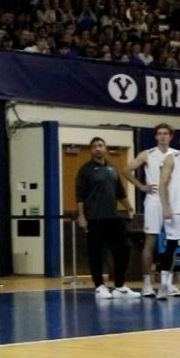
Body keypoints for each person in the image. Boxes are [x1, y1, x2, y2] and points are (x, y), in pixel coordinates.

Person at [76, 137, 139, 299]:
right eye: (95, 146)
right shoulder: (85, 170)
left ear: (105, 148)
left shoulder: (112, 168)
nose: (98, 148)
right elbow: (80, 197)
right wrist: (82, 216)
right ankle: (99, 286)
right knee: (96, 253)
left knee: (123, 249)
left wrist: (129, 208)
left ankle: (119, 286)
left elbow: (120, 192)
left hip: (112, 218)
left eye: (101, 145)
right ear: (91, 150)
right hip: (94, 218)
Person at [122, 123, 180, 297]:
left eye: (166, 134)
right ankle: (147, 283)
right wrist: (141, 186)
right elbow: (126, 170)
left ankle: (167, 284)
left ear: (171, 136)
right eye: (160, 134)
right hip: (154, 200)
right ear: (155, 136)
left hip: (174, 202)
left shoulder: (176, 155)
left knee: (172, 242)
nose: (163, 136)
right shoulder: (147, 154)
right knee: (150, 241)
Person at [157, 151, 180, 299]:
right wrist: (165, 206)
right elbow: (162, 184)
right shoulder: (172, 158)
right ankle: (164, 285)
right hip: (176, 210)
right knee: (171, 246)